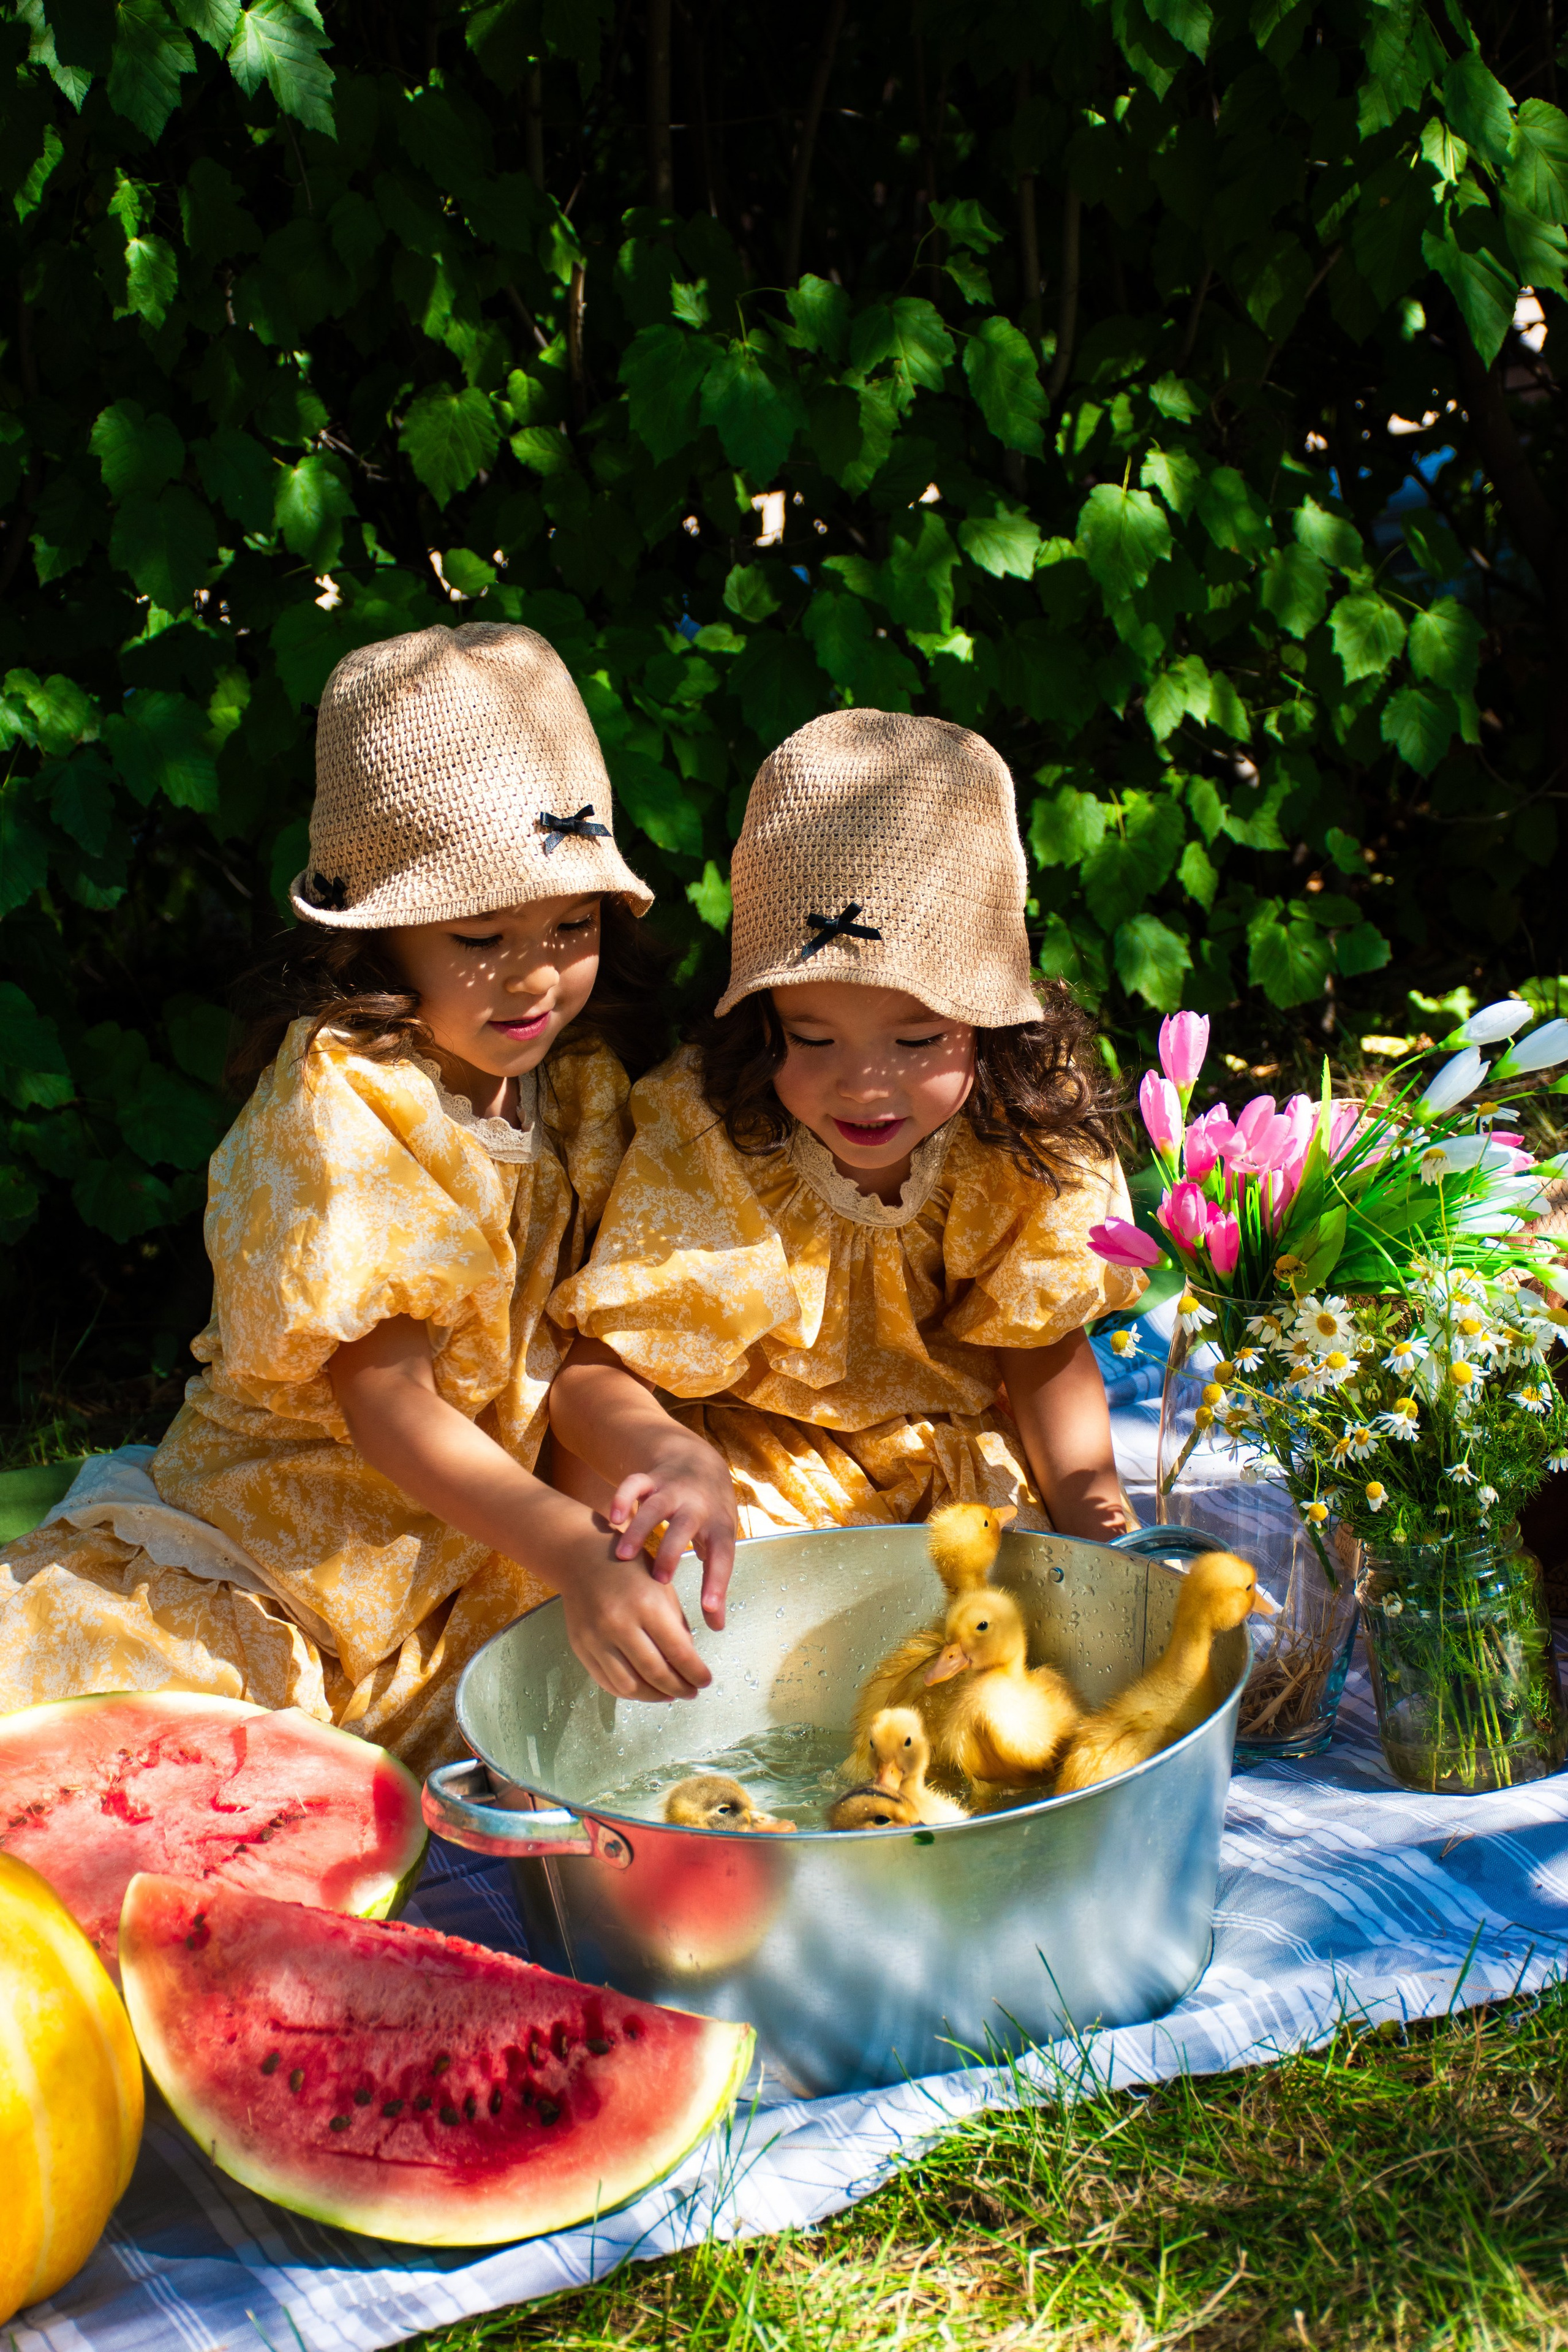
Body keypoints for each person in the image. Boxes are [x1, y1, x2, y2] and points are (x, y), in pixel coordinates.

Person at [0, 622, 717, 1765]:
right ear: (380, 938)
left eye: (572, 925)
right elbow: (389, 1403)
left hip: (459, 1555)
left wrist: (660, 1447)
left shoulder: (578, 1091)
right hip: (279, 1549)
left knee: (616, 1710)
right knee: (123, 1731)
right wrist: (572, 1546)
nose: (536, 974)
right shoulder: (342, 1107)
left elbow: (574, 1350)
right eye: (481, 935)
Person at [548, 708, 1148, 1643]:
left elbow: (1039, 1354)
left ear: (991, 1023)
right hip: (755, 1469)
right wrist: (665, 1455)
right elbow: (597, 1376)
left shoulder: (1020, 1140)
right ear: (763, 1019)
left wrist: (1098, 1520)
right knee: (740, 1640)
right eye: (812, 1038)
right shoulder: (712, 1137)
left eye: (919, 1041)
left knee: (1025, 1648)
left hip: (949, 1473)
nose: (864, 1084)